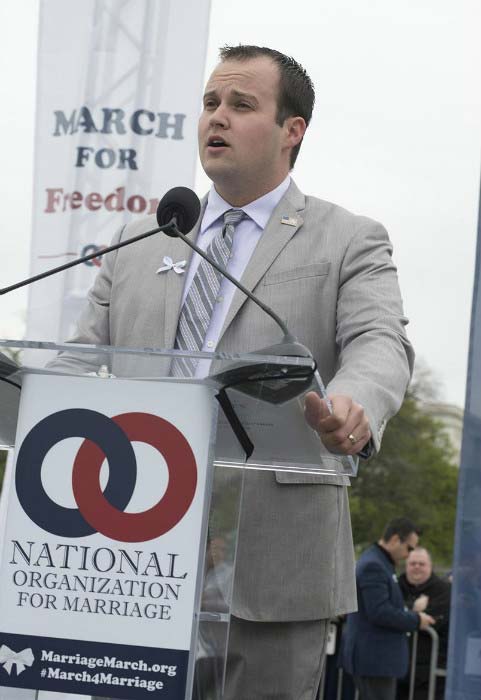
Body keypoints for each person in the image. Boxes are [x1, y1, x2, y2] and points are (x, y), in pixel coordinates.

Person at [66, 45, 414, 699]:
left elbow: (379, 342)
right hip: (124, 551)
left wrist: (353, 402)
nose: (216, 118)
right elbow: (80, 361)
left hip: (274, 564)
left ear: (292, 131)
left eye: (240, 104)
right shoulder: (143, 240)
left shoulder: (345, 239)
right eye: (208, 104)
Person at [339, 518, 435, 700]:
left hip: (376, 660)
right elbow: (379, 612)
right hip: (374, 661)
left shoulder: (379, 561)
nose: (410, 554)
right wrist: (416, 620)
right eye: (409, 548)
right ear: (394, 540)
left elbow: (382, 605)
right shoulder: (374, 565)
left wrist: (409, 609)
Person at [397, 547, 451, 700]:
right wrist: (414, 609)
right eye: (413, 563)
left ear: (430, 566)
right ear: (406, 565)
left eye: (422, 564)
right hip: (398, 668)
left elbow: (435, 620)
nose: (417, 567)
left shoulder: (444, 589)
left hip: (429, 672)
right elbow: (389, 612)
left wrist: (405, 614)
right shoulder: (396, 586)